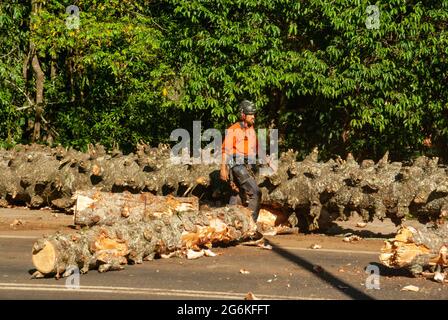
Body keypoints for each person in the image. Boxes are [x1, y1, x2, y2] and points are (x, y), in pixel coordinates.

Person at [220, 100, 263, 223]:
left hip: (247, 165)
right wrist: (223, 169)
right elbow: (225, 151)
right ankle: (251, 225)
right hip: (237, 166)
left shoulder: (251, 129)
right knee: (256, 192)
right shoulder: (234, 129)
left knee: (237, 194)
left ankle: (230, 224)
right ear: (243, 115)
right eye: (251, 114)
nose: (253, 117)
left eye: (254, 114)